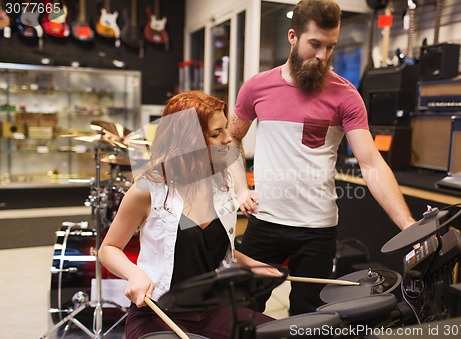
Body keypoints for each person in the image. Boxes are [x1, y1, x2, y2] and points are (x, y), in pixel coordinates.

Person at [229, 0, 416, 316]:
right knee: (243, 312)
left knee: (309, 318)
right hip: (265, 221)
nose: (322, 56)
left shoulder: (346, 95)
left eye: (330, 47)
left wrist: (409, 226)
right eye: (314, 44)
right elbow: (232, 137)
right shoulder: (257, 87)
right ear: (293, 37)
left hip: (318, 229)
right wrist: (239, 189)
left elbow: (371, 164)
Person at [98, 91, 280, 339]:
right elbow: (108, 248)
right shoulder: (147, 190)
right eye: (217, 133)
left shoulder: (221, 183)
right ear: (189, 141)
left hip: (212, 308)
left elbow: (205, 247)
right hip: (158, 312)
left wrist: (251, 264)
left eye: (225, 130)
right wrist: (134, 273)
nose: (229, 139)